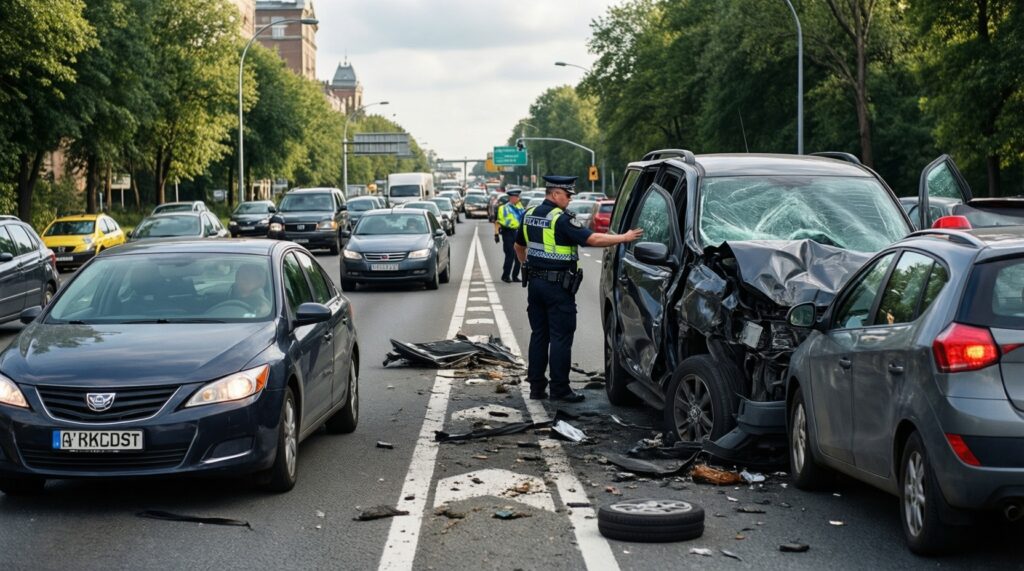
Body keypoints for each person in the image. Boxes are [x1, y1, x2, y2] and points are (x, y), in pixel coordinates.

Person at [514, 175, 643, 402]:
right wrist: (624, 237)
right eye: (567, 195)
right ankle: (560, 389)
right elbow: (592, 239)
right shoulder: (561, 219)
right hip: (557, 287)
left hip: (535, 285)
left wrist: (527, 265)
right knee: (561, 337)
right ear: (555, 194)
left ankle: (536, 388)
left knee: (539, 336)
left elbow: (518, 246)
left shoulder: (529, 214)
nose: (570, 200)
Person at [496, 188, 526, 283]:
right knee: (510, 255)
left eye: (518, 197)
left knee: (518, 255)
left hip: (518, 233)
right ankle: (505, 275)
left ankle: (515, 276)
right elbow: (499, 221)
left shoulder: (520, 207)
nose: (518, 198)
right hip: (508, 233)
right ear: (511, 198)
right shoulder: (503, 208)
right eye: (516, 197)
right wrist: (496, 233)